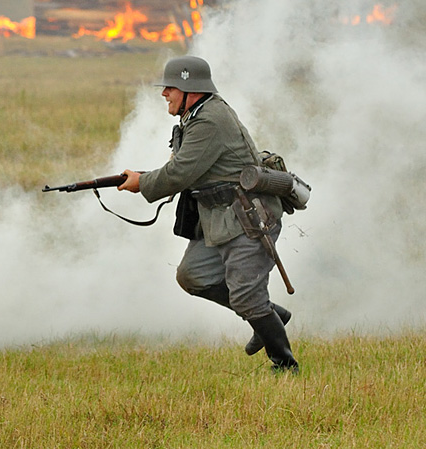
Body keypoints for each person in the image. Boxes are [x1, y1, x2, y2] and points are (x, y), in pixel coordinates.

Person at [117, 55, 299, 373]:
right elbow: (187, 170)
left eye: (171, 87)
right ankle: (271, 316)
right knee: (193, 275)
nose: (164, 94)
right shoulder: (195, 117)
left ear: (191, 89)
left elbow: (179, 173)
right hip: (221, 219)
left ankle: (285, 365)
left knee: (247, 297)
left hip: (249, 220)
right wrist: (145, 178)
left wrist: (142, 183)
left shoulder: (210, 120)